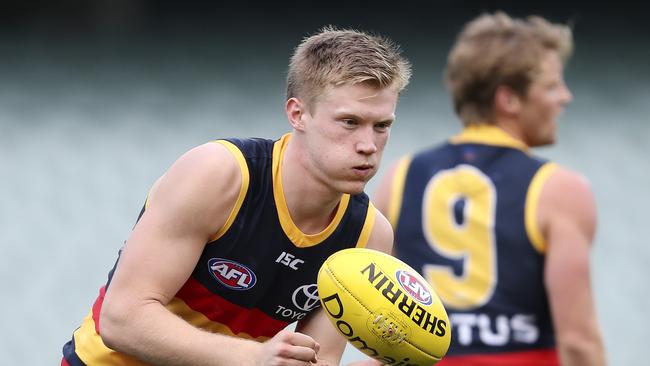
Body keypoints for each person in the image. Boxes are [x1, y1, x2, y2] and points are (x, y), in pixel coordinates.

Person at [62, 26, 411, 366]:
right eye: (349, 122)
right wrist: (253, 357)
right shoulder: (219, 175)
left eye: (382, 126)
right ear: (297, 114)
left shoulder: (369, 237)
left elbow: (317, 359)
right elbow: (121, 319)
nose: (368, 145)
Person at [373, 12, 606, 366]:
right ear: (508, 99)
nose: (565, 97)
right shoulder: (561, 190)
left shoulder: (399, 176)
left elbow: (377, 316)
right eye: (552, 85)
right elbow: (578, 342)